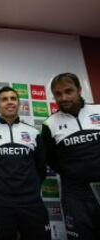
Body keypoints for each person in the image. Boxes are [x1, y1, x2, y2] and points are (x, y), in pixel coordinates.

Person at [0, 86, 51, 240]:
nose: (9, 102)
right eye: (4, 99)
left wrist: (30, 189)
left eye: (13, 98)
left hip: (31, 202)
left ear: (19, 104)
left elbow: (41, 168)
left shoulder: (33, 133)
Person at [42, 73, 100, 240]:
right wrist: (73, 172)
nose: (64, 97)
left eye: (69, 91)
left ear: (79, 90)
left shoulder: (98, 110)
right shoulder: (50, 124)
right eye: (58, 94)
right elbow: (50, 158)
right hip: (76, 193)